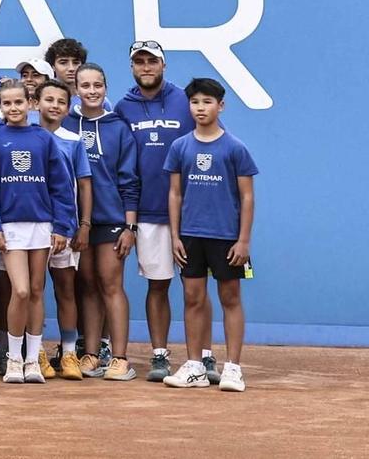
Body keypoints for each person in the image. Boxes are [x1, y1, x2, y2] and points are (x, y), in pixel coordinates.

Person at [0, 78, 76, 384]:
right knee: (19, 290)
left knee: (36, 290)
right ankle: (14, 358)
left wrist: (62, 226)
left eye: (18, 102)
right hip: (9, 227)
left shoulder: (44, 139)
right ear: (1, 106)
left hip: (42, 225)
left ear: (30, 104)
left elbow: (61, 187)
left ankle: (33, 361)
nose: (13, 108)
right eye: (6, 103)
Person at [163, 77, 257, 392]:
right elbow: (175, 195)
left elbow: (246, 197)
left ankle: (232, 367)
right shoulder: (180, 147)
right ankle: (195, 367)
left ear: (221, 105)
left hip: (227, 237)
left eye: (207, 102)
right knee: (192, 298)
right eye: (195, 102)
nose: (200, 108)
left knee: (230, 298)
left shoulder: (235, 148)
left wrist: (243, 240)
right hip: (190, 235)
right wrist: (175, 236)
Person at [116, 39, 194, 382]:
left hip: (193, 212)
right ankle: (160, 355)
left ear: (164, 65)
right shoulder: (123, 108)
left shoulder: (185, 101)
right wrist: (129, 220)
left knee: (195, 288)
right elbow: (123, 166)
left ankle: (202, 356)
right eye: (140, 62)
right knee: (158, 285)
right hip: (149, 215)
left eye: (152, 61)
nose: (146, 67)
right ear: (132, 68)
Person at [64, 62, 141, 380]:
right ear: (76, 89)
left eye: (98, 85)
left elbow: (129, 180)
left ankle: (120, 358)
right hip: (76, 221)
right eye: (85, 86)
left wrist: (130, 226)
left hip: (111, 219)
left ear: (105, 88)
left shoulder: (118, 127)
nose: (92, 91)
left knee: (110, 284)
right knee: (87, 287)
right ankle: (91, 355)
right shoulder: (66, 123)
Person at [36, 77, 94, 378]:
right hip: (32, 229)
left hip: (66, 228)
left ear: (68, 107)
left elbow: (84, 186)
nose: (55, 106)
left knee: (65, 290)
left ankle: (69, 353)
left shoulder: (73, 141)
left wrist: (83, 225)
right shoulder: (26, 137)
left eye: (61, 101)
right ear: (37, 103)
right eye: (49, 100)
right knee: (33, 291)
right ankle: (37, 353)